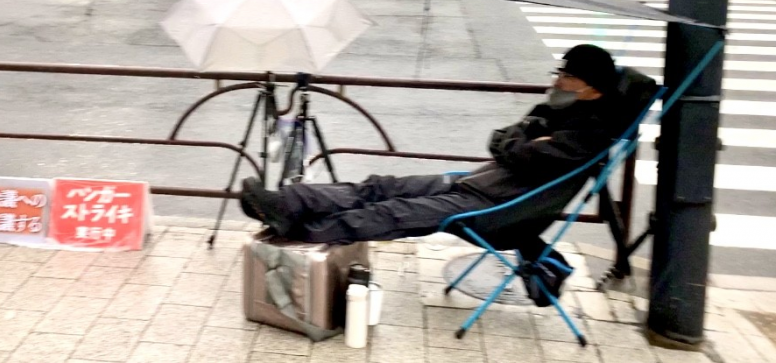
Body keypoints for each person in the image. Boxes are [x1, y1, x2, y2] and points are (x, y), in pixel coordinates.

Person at [240, 44, 620, 246]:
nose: (556, 81)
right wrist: (528, 136)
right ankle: (289, 203)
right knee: (380, 186)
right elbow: (501, 140)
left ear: (590, 87)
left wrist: (524, 141)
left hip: (495, 208)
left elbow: (520, 152)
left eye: (566, 75)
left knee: (394, 212)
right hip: (474, 185)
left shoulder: (589, 134)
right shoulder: (554, 114)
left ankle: (297, 229)